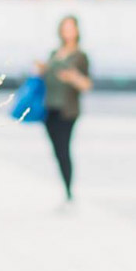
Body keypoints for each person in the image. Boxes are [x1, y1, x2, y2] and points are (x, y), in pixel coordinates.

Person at [37, 15, 91, 202]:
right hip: (49, 108)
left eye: (71, 28)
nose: (67, 32)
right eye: (65, 28)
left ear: (77, 31)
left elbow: (87, 84)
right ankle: (65, 184)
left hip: (67, 110)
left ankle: (68, 189)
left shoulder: (80, 56)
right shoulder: (54, 53)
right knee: (56, 150)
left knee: (63, 149)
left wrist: (73, 77)